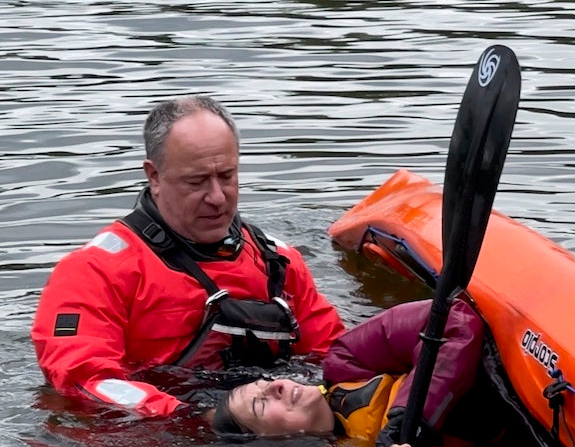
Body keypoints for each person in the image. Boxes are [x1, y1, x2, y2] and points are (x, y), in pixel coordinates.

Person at [31, 94, 345, 418]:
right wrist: (197, 419)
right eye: (196, 182)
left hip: (271, 432)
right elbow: (83, 381)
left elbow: (339, 357)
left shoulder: (278, 261)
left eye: (227, 176)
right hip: (158, 445)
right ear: (154, 176)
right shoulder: (93, 273)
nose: (217, 197)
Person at [205, 298, 494, 447]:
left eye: (264, 383)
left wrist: (409, 419)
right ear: (268, 443)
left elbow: (452, 319)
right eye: (261, 404)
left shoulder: (348, 361)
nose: (275, 386)